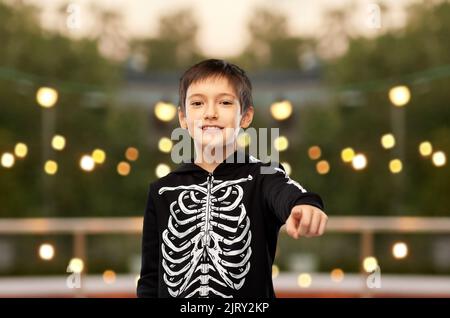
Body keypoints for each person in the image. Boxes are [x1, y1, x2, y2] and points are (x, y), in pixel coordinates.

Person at [137, 59, 328, 298]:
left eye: (225, 102)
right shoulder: (162, 190)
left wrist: (305, 204)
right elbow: (150, 279)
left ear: (246, 117)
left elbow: (287, 193)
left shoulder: (263, 176)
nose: (210, 113)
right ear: (183, 118)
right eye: (197, 103)